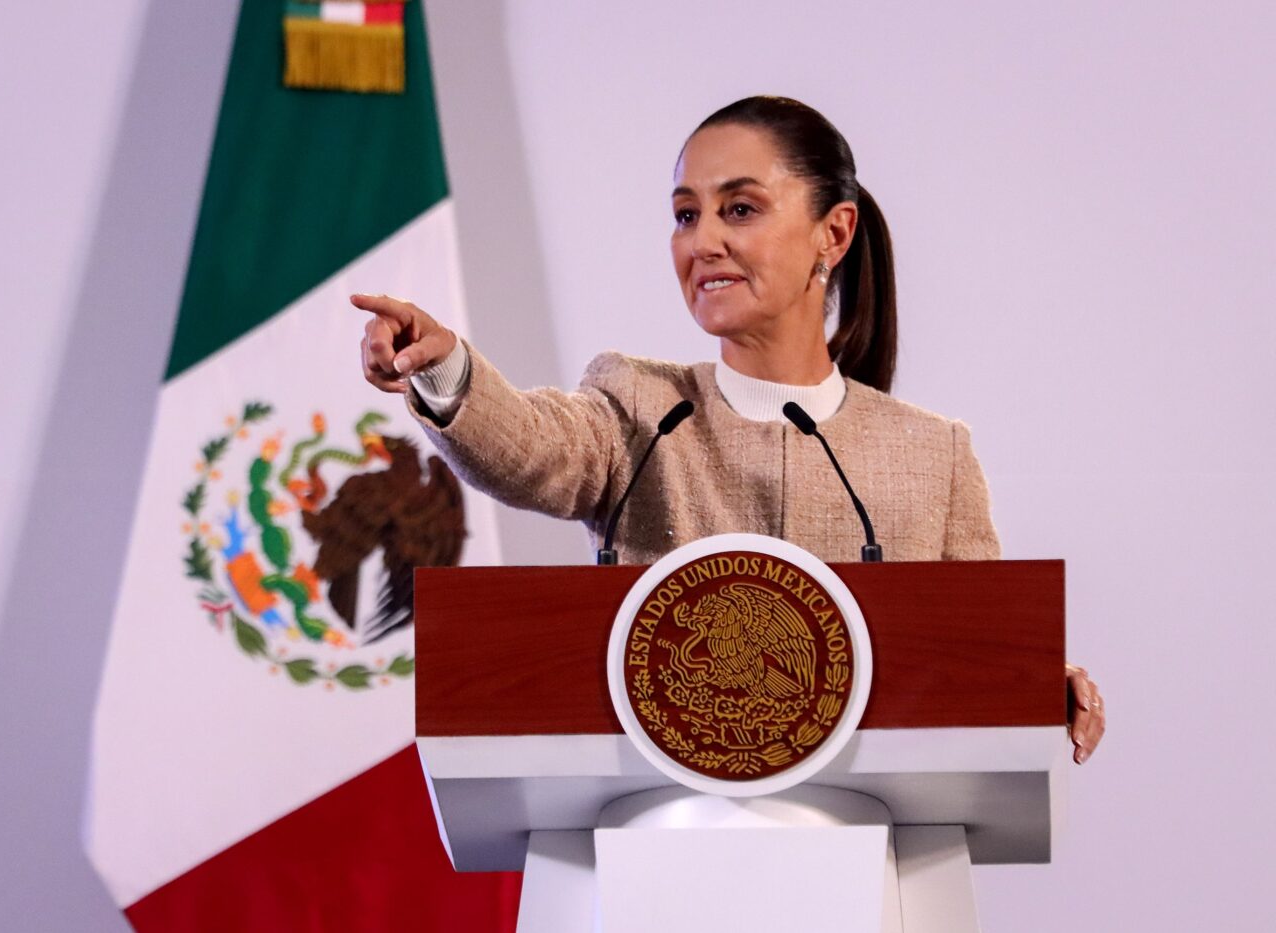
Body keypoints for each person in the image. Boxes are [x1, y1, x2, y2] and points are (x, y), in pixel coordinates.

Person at [352, 96, 1104, 764]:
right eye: (686, 214)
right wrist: (443, 365)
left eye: (739, 209)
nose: (701, 240)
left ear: (832, 234)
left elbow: (978, 650)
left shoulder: (931, 454)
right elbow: (530, 449)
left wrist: (1036, 687)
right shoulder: (640, 406)